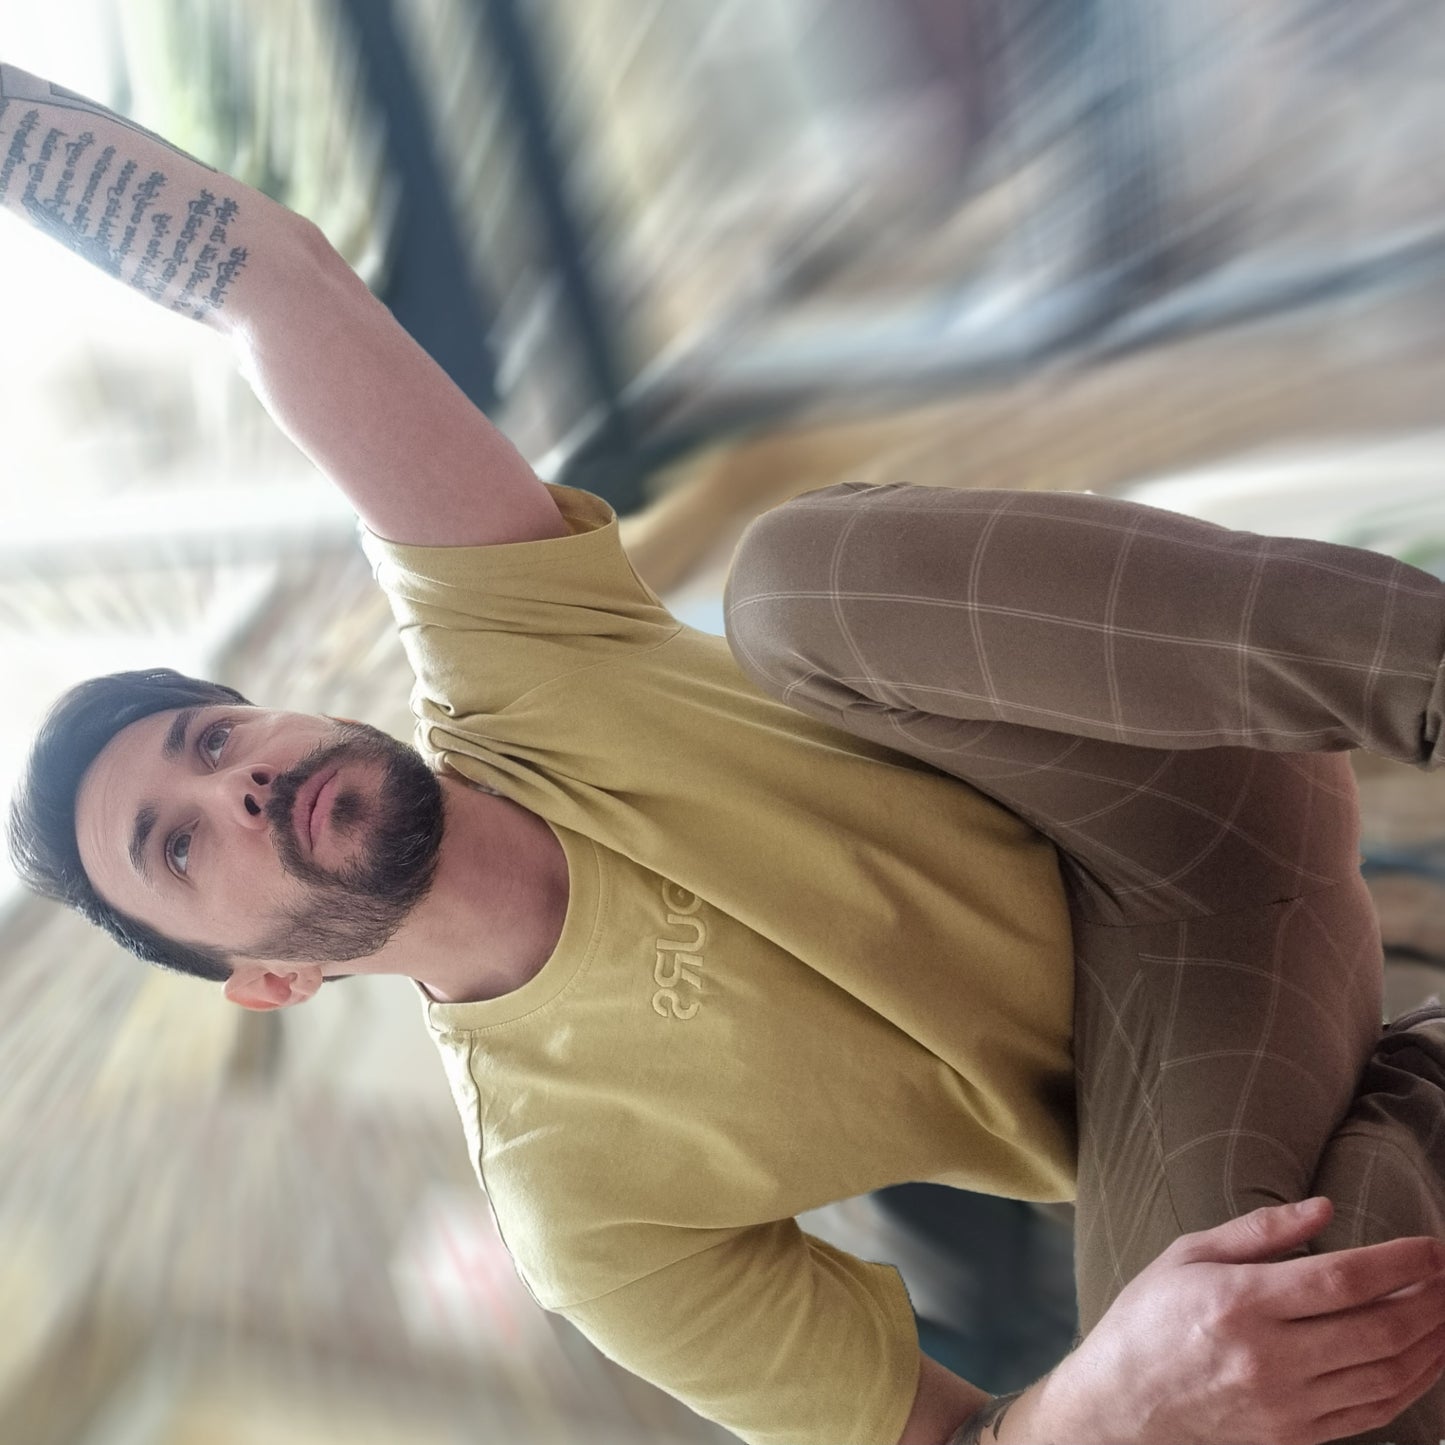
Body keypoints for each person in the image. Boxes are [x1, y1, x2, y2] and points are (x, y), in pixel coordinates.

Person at [3, 59, 1445, 1445]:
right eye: (179, 843)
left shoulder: (514, 659)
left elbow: (271, 284)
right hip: (1190, 1055)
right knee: (1233, 1382)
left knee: (793, 581)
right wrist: (1118, 1402)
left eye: (210, 735)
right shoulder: (576, 1199)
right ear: (271, 980)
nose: (233, 783)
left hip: (1167, 767)